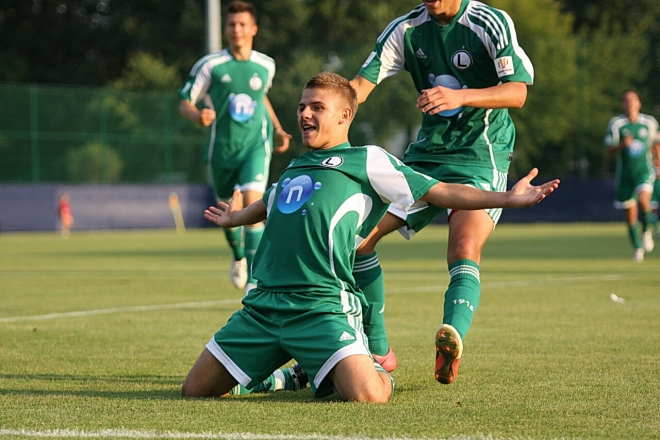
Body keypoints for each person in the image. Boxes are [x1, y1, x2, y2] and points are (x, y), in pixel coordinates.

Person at [181, 72, 559, 402]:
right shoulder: (296, 165)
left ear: (345, 115)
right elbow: (269, 202)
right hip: (263, 307)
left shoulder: (368, 160)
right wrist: (235, 218)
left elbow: (439, 190)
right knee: (194, 390)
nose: (304, 114)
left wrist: (506, 198)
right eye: (301, 107)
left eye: (316, 107)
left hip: (321, 307)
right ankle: (295, 376)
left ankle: (361, 362)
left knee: (369, 396)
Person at [347, 0, 534, 383]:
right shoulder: (407, 29)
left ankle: (451, 337)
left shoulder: (488, 22)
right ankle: (380, 350)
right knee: (359, 239)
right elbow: (358, 88)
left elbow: (517, 92)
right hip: (427, 155)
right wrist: (322, 106)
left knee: (464, 248)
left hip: (481, 153)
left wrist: (460, 97)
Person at [177, 1, 292, 295]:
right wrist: (197, 115)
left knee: (254, 203)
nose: (236, 30)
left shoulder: (266, 65)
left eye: (242, 24)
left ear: (253, 29)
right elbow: (185, 101)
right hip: (222, 152)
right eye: (231, 24)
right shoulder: (210, 65)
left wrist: (277, 128)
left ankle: (256, 281)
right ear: (226, 28)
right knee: (228, 213)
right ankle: (238, 256)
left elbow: (261, 99)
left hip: (256, 145)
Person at [605, 89, 659, 262]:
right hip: (625, 175)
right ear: (622, 105)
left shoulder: (649, 123)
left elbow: (656, 144)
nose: (630, 104)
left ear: (639, 103)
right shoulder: (616, 124)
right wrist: (622, 145)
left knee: (644, 200)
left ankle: (646, 232)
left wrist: (658, 161)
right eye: (626, 101)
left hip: (644, 171)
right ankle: (637, 247)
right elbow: (609, 149)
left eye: (633, 100)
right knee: (630, 214)